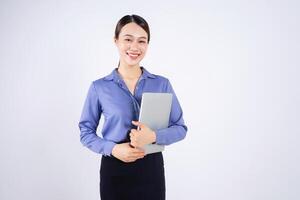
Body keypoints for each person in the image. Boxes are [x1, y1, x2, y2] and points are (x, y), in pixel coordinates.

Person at [78, 14, 187, 200]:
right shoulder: (100, 87)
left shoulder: (162, 84)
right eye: (128, 39)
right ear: (116, 41)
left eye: (142, 41)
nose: (135, 47)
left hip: (151, 170)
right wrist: (112, 149)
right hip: (114, 170)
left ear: (147, 45)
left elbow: (180, 128)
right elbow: (85, 131)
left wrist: (153, 136)